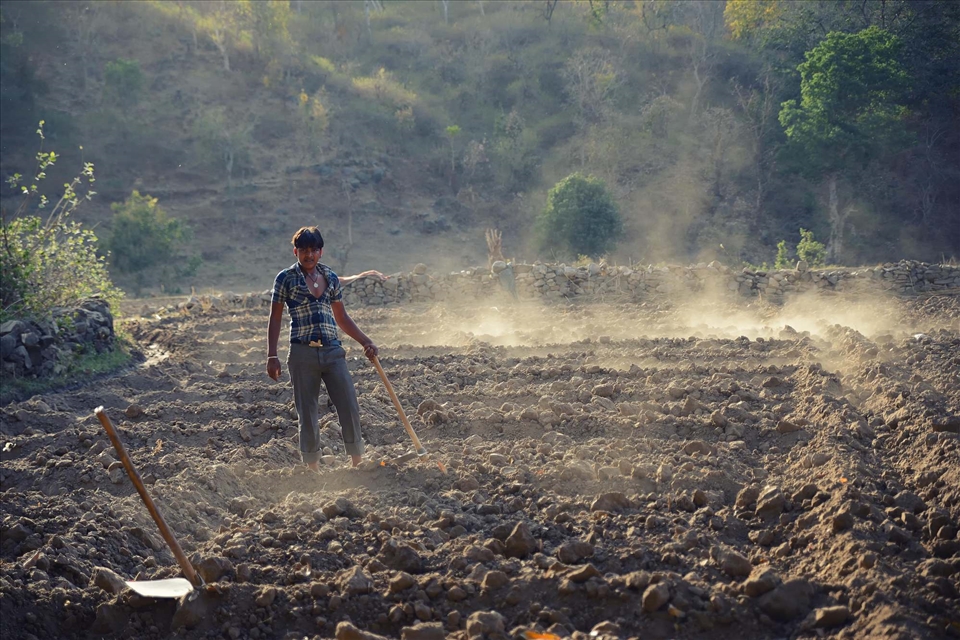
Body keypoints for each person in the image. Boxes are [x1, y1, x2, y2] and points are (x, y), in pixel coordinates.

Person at [266, 226, 378, 469]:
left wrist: (366, 341)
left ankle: (357, 462)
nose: (309, 255)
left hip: (332, 351)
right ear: (295, 251)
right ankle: (313, 469)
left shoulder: (331, 277)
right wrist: (272, 355)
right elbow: (275, 318)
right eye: (304, 250)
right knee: (307, 413)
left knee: (348, 404)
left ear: (321, 252)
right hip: (302, 353)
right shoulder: (285, 278)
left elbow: (342, 317)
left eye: (313, 250)